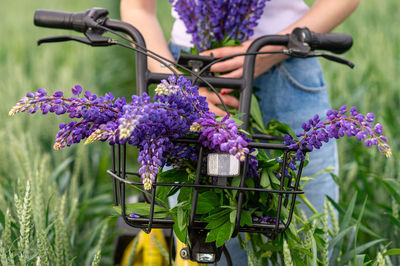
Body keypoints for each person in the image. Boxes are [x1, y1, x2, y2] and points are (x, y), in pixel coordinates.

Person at [120, 0, 360, 264]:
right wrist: (179, 85)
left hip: (287, 63)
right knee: (205, 247)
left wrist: (274, 48)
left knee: (311, 243)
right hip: (190, 71)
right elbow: (137, 8)